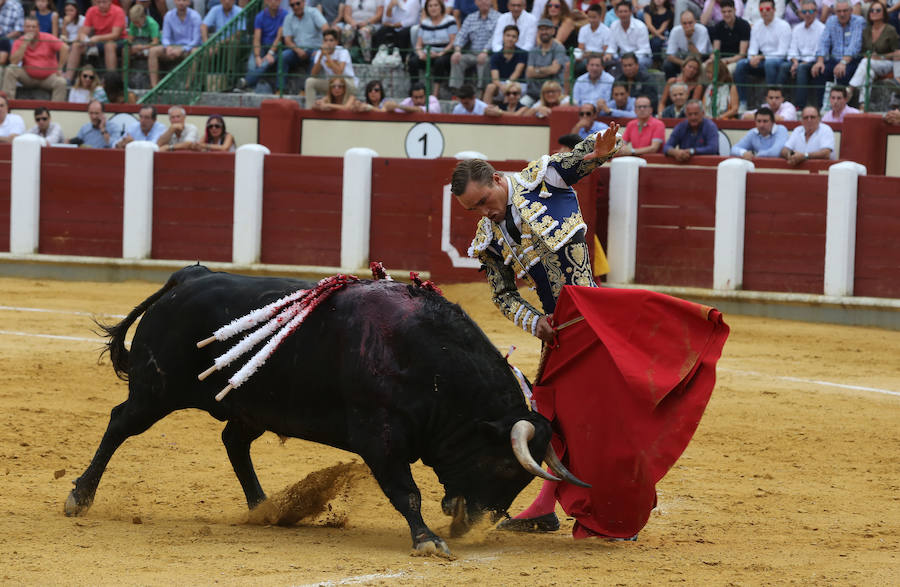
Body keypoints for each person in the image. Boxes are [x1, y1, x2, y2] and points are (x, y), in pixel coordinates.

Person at [451, 125, 729, 540]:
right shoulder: (487, 238)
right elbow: (503, 295)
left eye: (484, 202)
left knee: (600, 422)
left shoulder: (540, 179)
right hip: (560, 333)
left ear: (495, 179)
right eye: (473, 209)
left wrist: (600, 150)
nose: (484, 213)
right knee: (551, 417)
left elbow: (581, 158)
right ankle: (545, 507)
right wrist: (535, 322)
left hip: (593, 321)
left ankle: (617, 510)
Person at [733, 0, 791, 108]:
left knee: (769, 63)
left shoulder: (784, 26)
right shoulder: (757, 26)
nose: (764, 12)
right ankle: (743, 102)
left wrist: (762, 57)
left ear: (774, 10)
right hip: (761, 60)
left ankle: (769, 101)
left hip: (778, 60)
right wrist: (752, 59)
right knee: (741, 64)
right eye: (761, 9)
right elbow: (752, 49)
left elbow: (782, 53)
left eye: (768, 9)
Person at [808, 0, 865, 109]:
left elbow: (855, 45)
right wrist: (820, 61)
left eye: (845, 11)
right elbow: (824, 41)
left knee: (843, 72)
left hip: (852, 59)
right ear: (835, 12)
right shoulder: (831, 21)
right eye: (839, 11)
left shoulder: (859, 21)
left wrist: (843, 62)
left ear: (851, 11)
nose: (842, 14)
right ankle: (821, 108)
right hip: (834, 58)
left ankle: (843, 108)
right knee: (819, 70)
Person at [2, 15, 68, 101]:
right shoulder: (19, 41)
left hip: (48, 77)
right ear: (24, 28)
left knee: (61, 82)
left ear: (38, 28)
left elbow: (65, 48)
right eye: (28, 27)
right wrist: (25, 44)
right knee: (10, 69)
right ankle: (8, 103)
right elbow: (14, 62)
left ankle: (56, 111)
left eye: (34, 27)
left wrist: (60, 67)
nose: (31, 29)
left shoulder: (47, 37)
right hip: (28, 77)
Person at [846, 0, 898, 108]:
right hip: (870, 63)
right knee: (868, 74)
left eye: (878, 10)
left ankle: (850, 89)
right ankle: (863, 105)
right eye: (872, 10)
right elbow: (863, 51)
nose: (874, 12)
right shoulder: (866, 31)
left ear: (883, 13)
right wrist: (869, 56)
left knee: (865, 62)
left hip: (886, 63)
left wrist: (880, 57)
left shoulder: (890, 30)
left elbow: (898, 53)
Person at [65, 0, 126, 85]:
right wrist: (84, 38)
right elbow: (84, 31)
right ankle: (68, 79)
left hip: (117, 41)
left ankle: (111, 80)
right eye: (99, 2)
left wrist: (98, 38)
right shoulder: (91, 10)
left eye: (104, 2)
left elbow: (116, 34)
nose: (101, 5)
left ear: (110, 2)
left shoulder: (118, 11)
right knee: (76, 46)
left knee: (109, 46)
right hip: (97, 41)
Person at [780, 0, 824, 108]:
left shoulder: (822, 28)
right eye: (804, 11)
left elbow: (820, 51)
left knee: (802, 68)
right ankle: (778, 100)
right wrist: (794, 61)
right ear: (800, 13)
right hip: (799, 61)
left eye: (810, 11)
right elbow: (792, 48)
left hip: (814, 62)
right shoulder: (797, 28)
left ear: (815, 12)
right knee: (783, 67)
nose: (807, 14)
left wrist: (802, 63)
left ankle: (800, 106)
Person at [407, 0, 457, 95]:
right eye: (430, 6)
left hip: (444, 52)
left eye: (435, 5)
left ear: (441, 7)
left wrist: (439, 54)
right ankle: (415, 90)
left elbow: (453, 42)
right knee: (413, 61)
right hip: (428, 52)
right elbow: (418, 44)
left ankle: (435, 93)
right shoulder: (425, 23)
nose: (433, 8)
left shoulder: (450, 20)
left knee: (440, 62)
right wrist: (421, 54)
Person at [148, 0, 201, 87]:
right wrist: (168, 47)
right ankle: (154, 86)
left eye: (184, 0)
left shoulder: (195, 16)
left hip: (189, 48)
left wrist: (182, 49)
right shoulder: (169, 15)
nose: (181, 3)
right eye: (178, 0)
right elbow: (165, 37)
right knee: (153, 51)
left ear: (189, 2)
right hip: (172, 47)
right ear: (174, 1)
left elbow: (196, 40)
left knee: (195, 52)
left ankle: (188, 86)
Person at [450, 0, 499, 93]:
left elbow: (495, 38)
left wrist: (485, 51)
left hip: (489, 54)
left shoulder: (499, 17)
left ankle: (481, 92)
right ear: (476, 2)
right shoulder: (470, 18)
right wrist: (457, 50)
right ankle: (457, 92)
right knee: (456, 59)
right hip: (472, 53)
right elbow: (461, 35)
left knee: (484, 61)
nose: (483, 2)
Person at [279, 0, 326, 94]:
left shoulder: (313, 12)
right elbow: (287, 40)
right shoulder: (288, 18)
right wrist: (297, 50)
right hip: (297, 50)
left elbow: (326, 29)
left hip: (315, 48)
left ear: (304, 2)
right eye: (292, 5)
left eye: (298, 3)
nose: (295, 7)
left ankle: (306, 89)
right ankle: (280, 88)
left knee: (315, 59)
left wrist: (321, 49)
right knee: (283, 56)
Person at [243, 0, 289, 93]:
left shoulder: (285, 15)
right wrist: (257, 56)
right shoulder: (259, 16)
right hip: (262, 46)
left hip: (277, 48)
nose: (273, 2)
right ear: (266, 2)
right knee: (252, 64)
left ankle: (245, 83)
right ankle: (250, 86)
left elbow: (279, 37)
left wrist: (270, 53)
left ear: (280, 1)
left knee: (264, 64)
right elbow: (256, 39)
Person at [306, 29, 357, 107]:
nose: (328, 43)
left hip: (347, 82)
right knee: (310, 81)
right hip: (331, 83)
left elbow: (339, 72)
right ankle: (309, 110)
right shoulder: (320, 53)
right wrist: (320, 57)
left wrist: (327, 55)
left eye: (331, 40)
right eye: (325, 40)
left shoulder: (343, 51)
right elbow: (313, 74)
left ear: (336, 42)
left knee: (339, 83)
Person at [524, 18, 567, 104]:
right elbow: (529, 73)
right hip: (534, 93)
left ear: (553, 31)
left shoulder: (558, 48)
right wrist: (548, 69)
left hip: (553, 93)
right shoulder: (534, 50)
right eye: (541, 29)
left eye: (547, 29)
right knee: (522, 105)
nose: (544, 32)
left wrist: (536, 70)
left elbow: (554, 70)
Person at [483, 24, 526, 104]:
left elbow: (517, 72)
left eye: (513, 37)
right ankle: (486, 111)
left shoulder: (522, 53)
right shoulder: (495, 56)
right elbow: (495, 79)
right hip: (501, 85)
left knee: (512, 90)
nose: (510, 39)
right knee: (490, 87)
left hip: (518, 84)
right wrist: (502, 86)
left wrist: (507, 87)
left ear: (517, 39)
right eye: (508, 35)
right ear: (503, 37)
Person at [664, 8, 711, 79]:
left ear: (695, 21)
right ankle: (672, 87)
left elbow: (698, 56)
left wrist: (689, 39)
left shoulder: (702, 30)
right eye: (684, 23)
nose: (687, 26)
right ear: (681, 23)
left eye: (690, 23)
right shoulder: (675, 31)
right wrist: (685, 64)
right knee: (667, 65)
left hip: (701, 59)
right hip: (683, 59)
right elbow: (670, 56)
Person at [606, 1, 653, 71]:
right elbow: (612, 47)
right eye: (620, 12)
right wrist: (609, 54)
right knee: (606, 61)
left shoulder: (640, 26)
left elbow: (644, 50)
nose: (623, 14)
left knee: (637, 63)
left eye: (625, 11)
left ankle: (639, 81)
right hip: (621, 57)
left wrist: (628, 59)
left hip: (640, 57)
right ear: (616, 13)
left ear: (631, 12)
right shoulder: (614, 26)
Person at [709, 0, 750, 74]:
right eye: (724, 12)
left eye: (729, 11)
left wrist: (727, 61)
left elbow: (742, 54)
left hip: (736, 61)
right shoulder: (718, 26)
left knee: (727, 70)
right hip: (721, 60)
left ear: (735, 10)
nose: (726, 14)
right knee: (704, 67)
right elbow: (716, 50)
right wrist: (713, 58)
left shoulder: (744, 25)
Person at [577, 4, 610, 71]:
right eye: (589, 17)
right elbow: (580, 48)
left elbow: (605, 51)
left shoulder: (607, 31)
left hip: (600, 59)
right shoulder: (583, 29)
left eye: (594, 17)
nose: (591, 20)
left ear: (600, 17)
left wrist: (591, 54)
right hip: (585, 58)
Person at [644, 0, 674, 64]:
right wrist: (658, 35)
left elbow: (662, 28)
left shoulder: (669, 13)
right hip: (648, 33)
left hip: (661, 34)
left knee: (656, 42)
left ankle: (656, 63)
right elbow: (649, 25)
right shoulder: (647, 8)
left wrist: (655, 35)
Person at [0, 0, 25, 67]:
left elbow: (18, 31)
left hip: (9, 38)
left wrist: (2, 39)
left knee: (12, 45)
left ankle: (13, 67)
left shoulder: (16, 7)